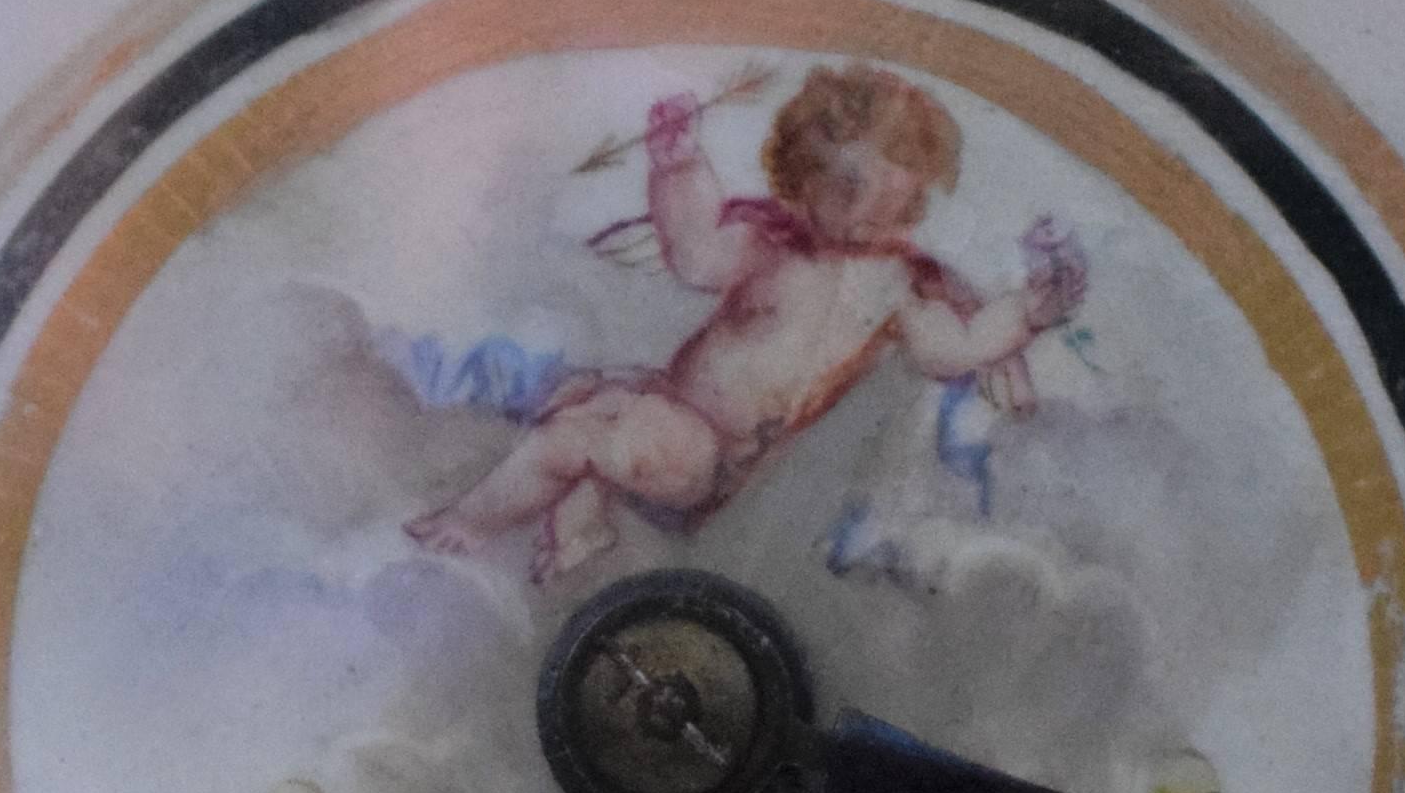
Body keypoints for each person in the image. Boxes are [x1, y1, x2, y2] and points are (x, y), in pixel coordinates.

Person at [407, 64, 1088, 582]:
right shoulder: (770, 246)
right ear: (801, 176)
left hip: (711, 457)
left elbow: (954, 348)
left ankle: (471, 521)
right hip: (678, 419)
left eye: (888, 200)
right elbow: (695, 252)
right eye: (846, 189)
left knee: (587, 428)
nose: (863, 216)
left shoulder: (897, 289)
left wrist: (1032, 308)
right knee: (593, 405)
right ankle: (564, 525)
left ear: (912, 197)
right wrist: (678, 167)